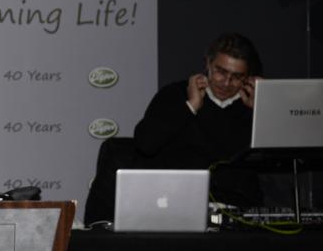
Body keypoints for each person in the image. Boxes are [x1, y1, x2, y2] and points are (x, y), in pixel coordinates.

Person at [84, 32, 264, 224]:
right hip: (171, 203)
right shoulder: (175, 94)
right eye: (220, 72)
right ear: (208, 64)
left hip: (232, 208)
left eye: (236, 77)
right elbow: (145, 144)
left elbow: (270, 167)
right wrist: (190, 106)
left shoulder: (252, 106)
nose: (226, 82)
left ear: (248, 77)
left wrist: (261, 111)